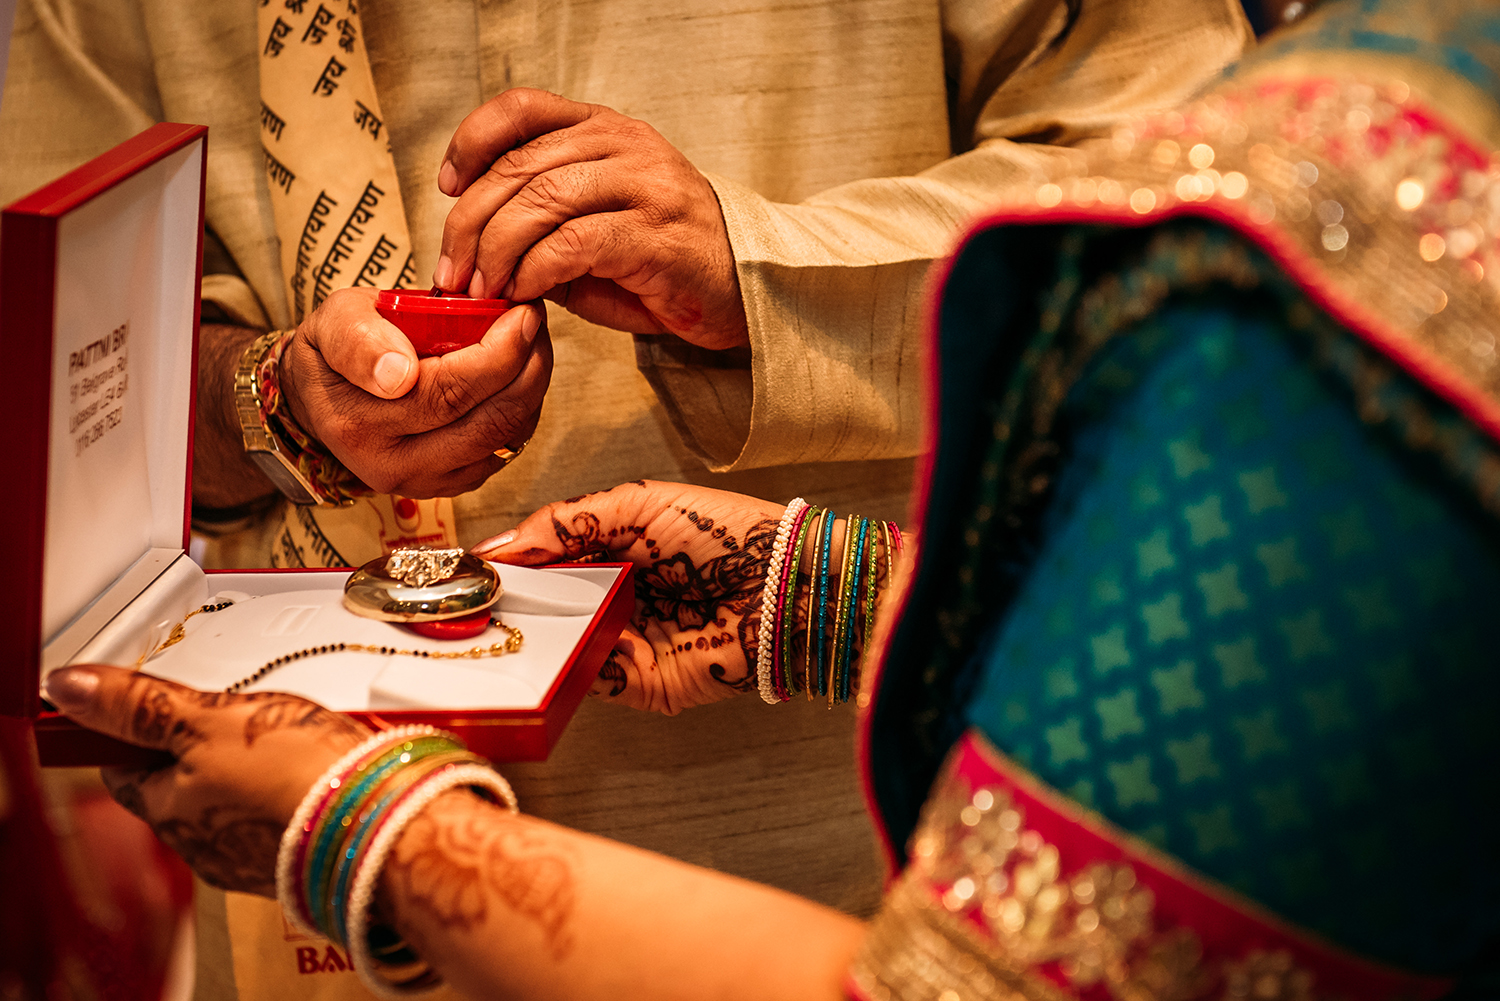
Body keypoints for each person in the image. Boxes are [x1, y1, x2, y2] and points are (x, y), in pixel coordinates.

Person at [38, 0, 1500, 996]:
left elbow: (979, 978)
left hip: (816, 864)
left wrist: (365, 831)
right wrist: (850, 600)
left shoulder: (1369, 246)